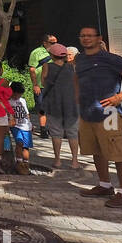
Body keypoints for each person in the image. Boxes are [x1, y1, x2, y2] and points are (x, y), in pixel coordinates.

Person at [75, 25, 122, 207]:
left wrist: (120, 97)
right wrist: (77, 99)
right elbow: (76, 78)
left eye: (90, 36)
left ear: (99, 38)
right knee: (96, 151)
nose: (86, 39)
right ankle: (105, 185)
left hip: (108, 115)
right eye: (83, 36)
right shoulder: (79, 59)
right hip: (87, 114)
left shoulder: (112, 59)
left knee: (118, 154)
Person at [38, 38, 81, 171]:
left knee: (56, 133)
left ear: (51, 55)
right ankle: (75, 161)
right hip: (71, 104)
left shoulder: (47, 66)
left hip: (54, 103)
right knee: (73, 133)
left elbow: (43, 83)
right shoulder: (72, 68)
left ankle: (57, 160)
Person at [29, 34, 59, 131]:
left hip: (54, 85)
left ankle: (53, 127)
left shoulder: (59, 51)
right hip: (41, 85)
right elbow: (32, 69)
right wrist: (35, 85)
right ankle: (43, 128)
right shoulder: (36, 53)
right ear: (45, 43)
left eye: (56, 42)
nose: (55, 44)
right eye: (52, 43)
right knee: (42, 107)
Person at [8, 81, 33, 175]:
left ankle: (26, 163)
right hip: (15, 126)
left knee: (26, 147)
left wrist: (30, 124)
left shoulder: (23, 101)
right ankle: (19, 162)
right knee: (19, 142)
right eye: (15, 95)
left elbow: (27, 113)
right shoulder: (8, 101)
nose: (17, 97)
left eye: (19, 95)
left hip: (26, 126)